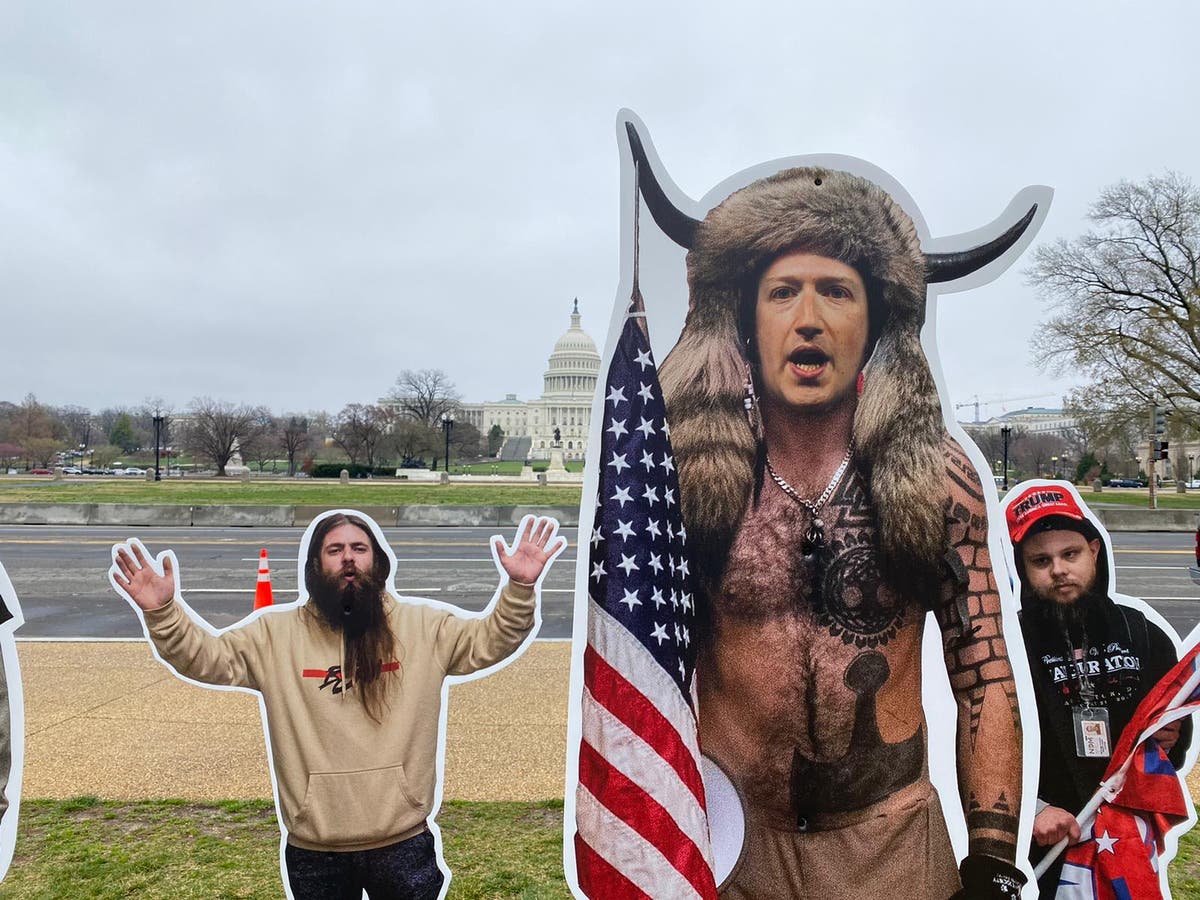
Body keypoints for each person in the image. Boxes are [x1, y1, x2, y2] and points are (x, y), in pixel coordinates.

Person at [629, 144, 1036, 899]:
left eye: (837, 293)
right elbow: (637, 657)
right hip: (734, 845)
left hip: (893, 848)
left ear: (874, 321)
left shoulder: (936, 479)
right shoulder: (685, 478)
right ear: (746, 319)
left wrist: (991, 860)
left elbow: (982, 670)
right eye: (783, 292)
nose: (809, 320)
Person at [109, 510, 565, 900]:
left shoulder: (424, 627)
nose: (349, 558)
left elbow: (491, 640)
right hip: (316, 847)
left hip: (402, 840)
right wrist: (164, 613)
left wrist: (519, 587)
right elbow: (206, 658)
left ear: (378, 561)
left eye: (359, 548)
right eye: (335, 550)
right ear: (314, 565)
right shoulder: (273, 636)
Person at [1004, 483, 1190, 898]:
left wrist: (1171, 739)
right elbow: (981, 744)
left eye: (1070, 554)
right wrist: (1033, 809)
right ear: (1023, 568)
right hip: (1044, 848)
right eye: (1041, 560)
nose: (1058, 570)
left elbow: (1174, 740)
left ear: (1093, 551)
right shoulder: (1007, 646)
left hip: (1126, 842)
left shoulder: (1143, 634)